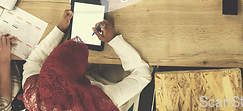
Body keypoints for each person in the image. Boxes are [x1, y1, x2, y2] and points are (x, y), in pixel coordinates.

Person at [21, 10, 152, 111]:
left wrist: (59, 30)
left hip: (90, 84)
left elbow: (34, 61)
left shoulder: (33, 94)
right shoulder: (102, 101)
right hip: (110, 91)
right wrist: (114, 40)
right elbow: (143, 74)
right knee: (144, 62)